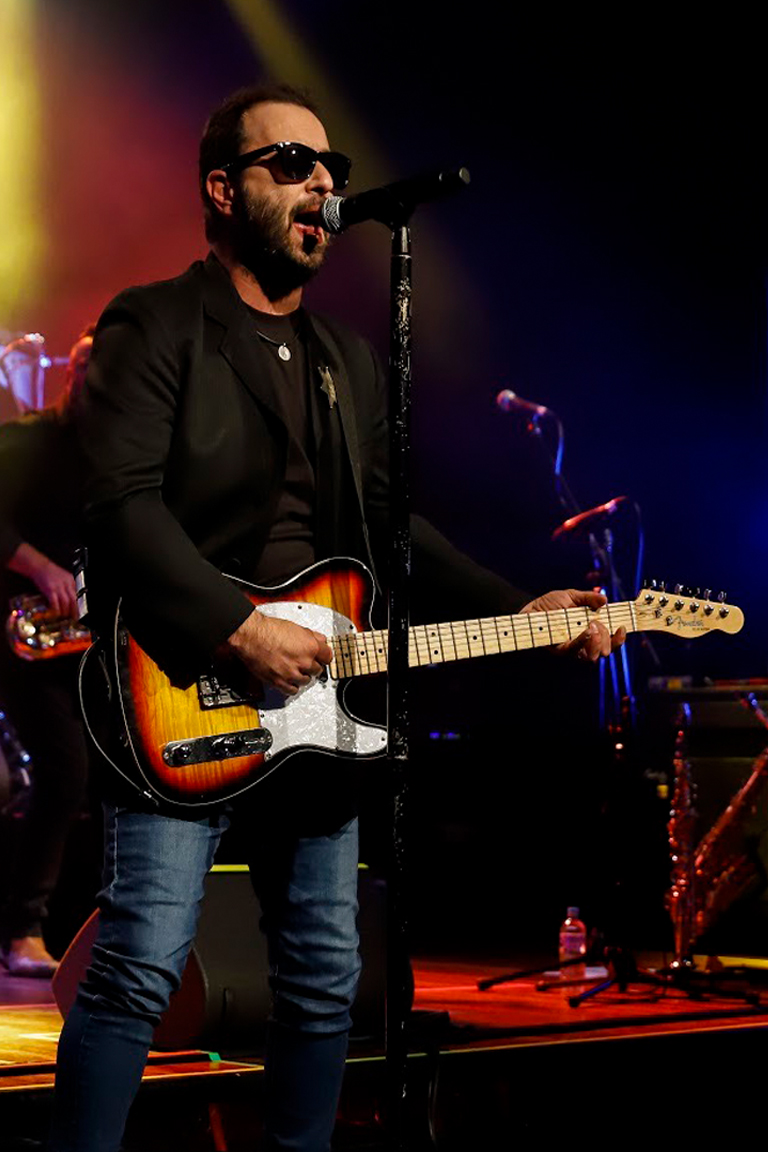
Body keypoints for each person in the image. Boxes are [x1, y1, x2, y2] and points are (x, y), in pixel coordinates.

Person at [48, 84, 624, 1152]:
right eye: (292, 164)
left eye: (332, 169)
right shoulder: (155, 323)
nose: (322, 183)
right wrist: (235, 628)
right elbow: (120, 511)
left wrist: (520, 606)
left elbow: (393, 529)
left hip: (318, 706)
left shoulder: (346, 360)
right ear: (223, 190)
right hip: (179, 686)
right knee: (139, 967)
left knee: (323, 975)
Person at [0, 326, 95, 976]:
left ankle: (92, 930)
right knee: (62, 771)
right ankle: (22, 930)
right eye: (82, 364)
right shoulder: (27, 440)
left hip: (92, 642)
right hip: (25, 636)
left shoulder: (124, 456)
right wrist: (39, 566)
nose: (88, 377)